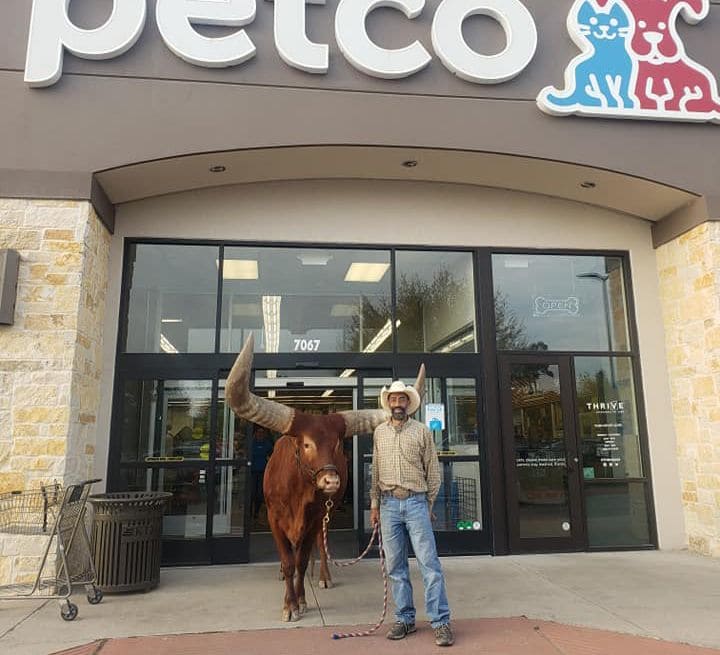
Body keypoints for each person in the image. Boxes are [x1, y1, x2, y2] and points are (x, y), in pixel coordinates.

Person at [370, 380, 454, 647]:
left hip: (416, 502)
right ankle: (405, 619)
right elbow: (375, 470)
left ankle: (440, 622)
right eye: (393, 399)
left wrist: (427, 504)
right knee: (395, 567)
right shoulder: (379, 433)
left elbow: (434, 471)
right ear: (389, 403)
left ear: (408, 403)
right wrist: (374, 504)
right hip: (388, 505)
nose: (397, 404)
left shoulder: (422, 432)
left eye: (401, 399)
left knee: (429, 565)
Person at [250, 426, 273, 519]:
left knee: (259, 494)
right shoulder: (251, 443)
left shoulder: (267, 444)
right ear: (255, 434)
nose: (260, 434)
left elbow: (272, 454)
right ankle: (249, 512)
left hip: (262, 471)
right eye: (258, 432)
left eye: (262, 432)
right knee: (251, 493)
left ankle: (256, 512)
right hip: (251, 471)